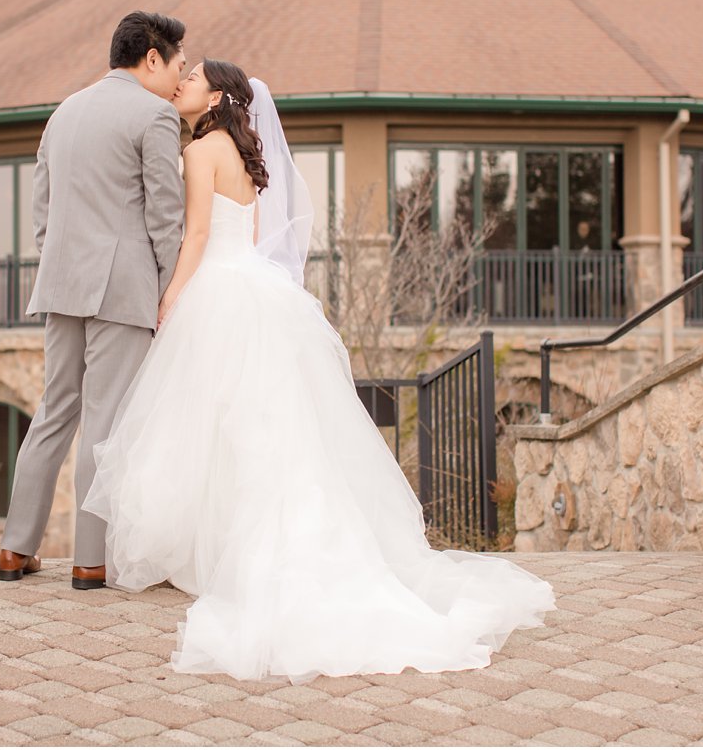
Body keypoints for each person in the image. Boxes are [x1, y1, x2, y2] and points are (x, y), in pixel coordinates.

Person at [81, 59, 555, 682]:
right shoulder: (246, 157)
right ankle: (237, 548)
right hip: (255, 289)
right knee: (268, 430)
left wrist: (169, 300)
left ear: (216, 95)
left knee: (214, 425)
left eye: (192, 78)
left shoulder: (200, 151)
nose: (181, 83)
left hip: (217, 292)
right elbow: (245, 236)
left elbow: (195, 235)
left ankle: (223, 554)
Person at [0, 11, 186, 591]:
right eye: (178, 63)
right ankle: (89, 560)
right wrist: (170, 291)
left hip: (61, 284)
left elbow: (42, 213)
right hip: (122, 288)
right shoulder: (155, 115)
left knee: (54, 412)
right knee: (102, 421)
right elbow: (165, 218)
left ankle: (14, 549)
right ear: (151, 57)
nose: (180, 77)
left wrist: (57, 267)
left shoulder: (63, 112)